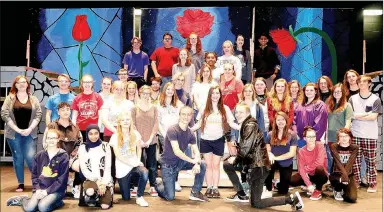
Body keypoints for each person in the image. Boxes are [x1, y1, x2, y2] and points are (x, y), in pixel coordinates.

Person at [226, 104, 304, 210]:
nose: (238, 115)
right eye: (236, 112)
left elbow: (245, 149)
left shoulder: (250, 126)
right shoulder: (246, 125)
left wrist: (235, 159)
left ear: (248, 114)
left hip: (259, 167)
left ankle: (291, 199)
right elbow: (248, 147)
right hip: (252, 165)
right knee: (227, 165)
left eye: (241, 112)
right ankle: (241, 193)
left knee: (256, 203)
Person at [191, 86, 240, 198]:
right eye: (213, 93)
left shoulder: (225, 108)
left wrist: (242, 126)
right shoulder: (204, 108)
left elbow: (232, 124)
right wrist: (187, 130)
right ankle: (209, 188)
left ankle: (215, 188)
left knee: (216, 165)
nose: (215, 95)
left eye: (217, 93)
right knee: (209, 165)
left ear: (220, 95)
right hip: (205, 140)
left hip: (218, 140)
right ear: (210, 95)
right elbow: (198, 125)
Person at [6, 129, 69, 212]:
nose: (51, 140)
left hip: (57, 190)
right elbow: (34, 176)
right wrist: (37, 189)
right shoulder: (39, 155)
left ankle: (58, 202)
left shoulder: (63, 156)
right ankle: (23, 199)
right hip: (41, 188)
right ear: (45, 139)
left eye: (53, 138)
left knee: (42, 207)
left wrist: (46, 192)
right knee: (29, 209)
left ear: (58, 139)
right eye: (49, 138)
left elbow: (62, 180)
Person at [155, 106, 209, 202]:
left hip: (180, 162)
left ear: (192, 116)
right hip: (168, 165)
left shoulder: (191, 133)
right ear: (179, 115)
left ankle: (195, 192)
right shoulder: (172, 129)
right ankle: (158, 184)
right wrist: (192, 160)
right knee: (170, 197)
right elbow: (177, 151)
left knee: (203, 164)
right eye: (183, 114)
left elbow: (196, 150)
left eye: (189, 114)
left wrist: (197, 163)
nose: (186, 117)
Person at [1, 75, 42, 192]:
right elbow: (4, 114)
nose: (22, 84)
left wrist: (30, 129)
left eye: (24, 82)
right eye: (19, 82)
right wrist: (17, 130)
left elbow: (38, 114)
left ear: (27, 84)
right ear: (15, 85)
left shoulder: (33, 99)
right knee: (18, 158)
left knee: (30, 158)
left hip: (30, 133)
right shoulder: (10, 98)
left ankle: (37, 182)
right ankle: (21, 183)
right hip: (14, 134)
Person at [109, 112, 149, 207]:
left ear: (131, 121)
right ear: (119, 123)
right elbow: (118, 155)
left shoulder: (135, 134)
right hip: (122, 167)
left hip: (134, 164)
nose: (125, 122)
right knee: (126, 198)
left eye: (127, 119)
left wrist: (138, 161)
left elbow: (139, 149)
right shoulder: (115, 136)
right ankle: (118, 189)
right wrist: (131, 163)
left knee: (144, 172)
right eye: (123, 120)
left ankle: (139, 197)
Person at [349, 75, 382, 193]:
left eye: (363, 81)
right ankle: (356, 181)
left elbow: (373, 117)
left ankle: (372, 183)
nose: (361, 83)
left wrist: (358, 115)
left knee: (371, 161)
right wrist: (364, 115)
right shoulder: (352, 98)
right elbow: (351, 115)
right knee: (355, 160)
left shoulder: (375, 99)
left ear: (369, 83)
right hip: (355, 134)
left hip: (370, 135)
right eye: (359, 82)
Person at [44, 102, 83, 199]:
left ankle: (75, 186)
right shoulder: (51, 126)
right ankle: (64, 182)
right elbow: (45, 143)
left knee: (80, 165)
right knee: (59, 192)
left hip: (71, 159)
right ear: (58, 112)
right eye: (62, 110)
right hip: (56, 158)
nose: (65, 112)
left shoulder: (75, 127)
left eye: (67, 109)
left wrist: (73, 157)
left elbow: (80, 144)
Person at [131, 85, 159, 197]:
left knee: (152, 165)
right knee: (138, 163)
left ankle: (152, 186)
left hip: (151, 140)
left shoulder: (154, 108)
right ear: (140, 93)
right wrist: (140, 139)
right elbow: (132, 124)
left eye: (148, 93)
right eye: (144, 93)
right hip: (138, 141)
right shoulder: (134, 108)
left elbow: (156, 124)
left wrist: (150, 139)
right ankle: (136, 186)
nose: (146, 95)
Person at [78, 125, 113, 209]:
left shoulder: (105, 146)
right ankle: (92, 196)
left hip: (104, 180)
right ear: (87, 134)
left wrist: (104, 183)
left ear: (99, 133)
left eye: (96, 133)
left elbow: (108, 167)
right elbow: (84, 169)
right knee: (90, 191)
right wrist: (97, 181)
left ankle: (104, 193)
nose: (94, 136)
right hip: (91, 179)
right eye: (91, 134)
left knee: (105, 206)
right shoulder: (83, 147)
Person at [290, 126, 328, 201]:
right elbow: (301, 169)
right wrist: (309, 185)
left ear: (315, 137)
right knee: (291, 181)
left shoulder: (320, 146)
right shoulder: (301, 151)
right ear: (305, 138)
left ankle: (318, 190)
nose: (311, 139)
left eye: (313, 136)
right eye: (308, 137)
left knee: (319, 168)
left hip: (320, 175)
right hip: (309, 174)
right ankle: (309, 184)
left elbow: (319, 162)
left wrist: (306, 169)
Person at [265, 112, 297, 195]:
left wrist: (276, 157)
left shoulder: (292, 135)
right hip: (273, 161)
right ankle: (268, 187)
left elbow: (292, 153)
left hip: (286, 162)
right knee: (267, 166)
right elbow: (267, 149)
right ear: (275, 121)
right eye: (278, 120)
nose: (280, 122)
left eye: (283, 119)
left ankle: (278, 184)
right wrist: (270, 154)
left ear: (286, 121)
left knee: (283, 191)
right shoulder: (270, 134)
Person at [326, 83, 353, 174]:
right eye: (335, 91)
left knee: (340, 162)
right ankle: (330, 179)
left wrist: (342, 138)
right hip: (329, 137)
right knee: (329, 160)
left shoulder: (347, 105)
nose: (337, 93)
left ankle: (342, 181)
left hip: (340, 138)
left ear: (343, 92)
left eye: (339, 91)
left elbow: (348, 123)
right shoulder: (329, 104)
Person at [71, 74, 104, 143]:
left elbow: (101, 116)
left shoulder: (98, 97)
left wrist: (97, 128)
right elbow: (74, 117)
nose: (87, 84)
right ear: (81, 83)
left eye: (89, 82)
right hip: (80, 130)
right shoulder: (77, 98)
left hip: (94, 131)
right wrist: (76, 130)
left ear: (92, 83)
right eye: (85, 82)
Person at [294, 82, 328, 148]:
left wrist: (311, 137)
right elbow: (294, 120)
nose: (308, 92)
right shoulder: (300, 105)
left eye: (311, 90)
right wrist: (295, 133)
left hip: (313, 140)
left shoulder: (320, 105)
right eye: (307, 90)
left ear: (315, 92)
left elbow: (320, 124)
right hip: (300, 139)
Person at [329, 128, 358, 203]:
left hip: (349, 174)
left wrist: (345, 176)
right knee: (340, 180)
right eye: (341, 136)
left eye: (346, 136)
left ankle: (344, 189)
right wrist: (343, 176)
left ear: (350, 137)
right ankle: (337, 189)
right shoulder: (334, 146)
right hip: (336, 174)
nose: (344, 138)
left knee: (352, 198)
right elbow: (338, 162)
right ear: (338, 138)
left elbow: (350, 163)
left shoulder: (354, 147)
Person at [99, 77, 113, 141]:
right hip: (100, 130)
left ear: (111, 85)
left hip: (112, 130)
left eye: (108, 84)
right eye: (104, 84)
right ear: (101, 84)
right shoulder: (97, 97)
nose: (106, 86)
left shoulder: (114, 97)